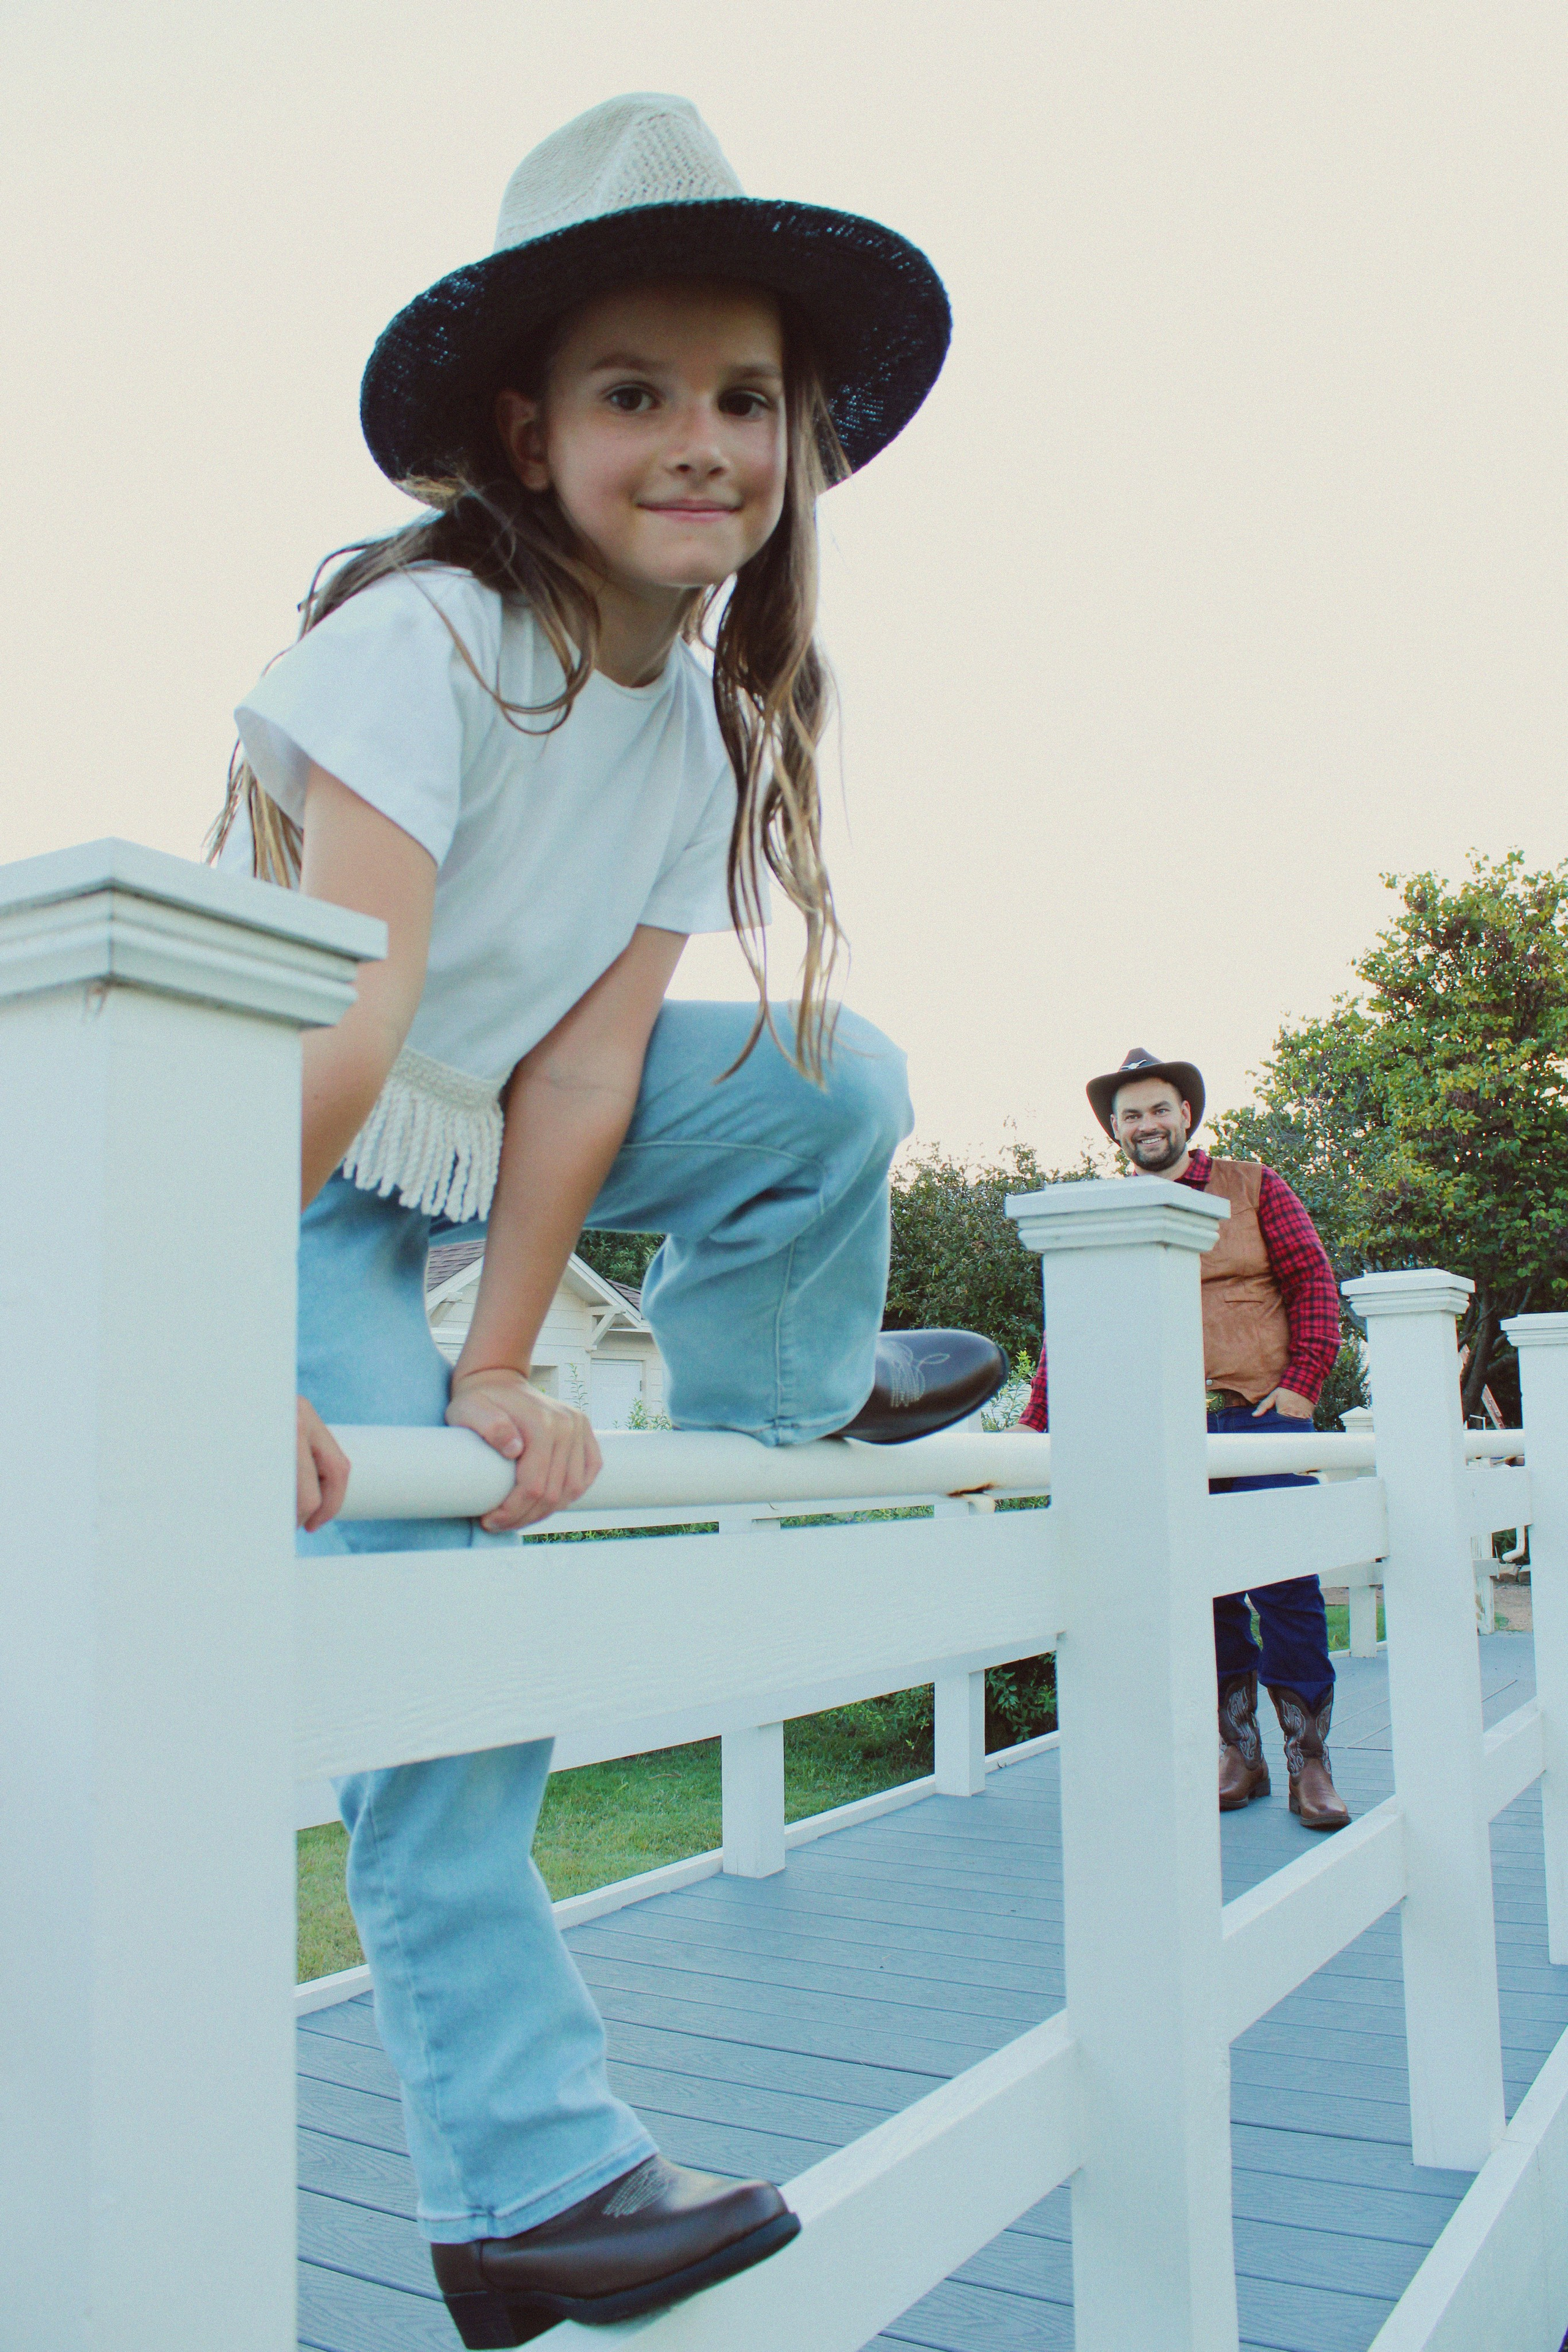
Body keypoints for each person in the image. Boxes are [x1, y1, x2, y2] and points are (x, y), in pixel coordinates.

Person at [214, 94, 1005, 2346]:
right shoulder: (429, 634)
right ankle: (523, 2182)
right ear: (522, 429)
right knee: (437, 1654)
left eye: (741, 398)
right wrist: (225, 1339)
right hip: (272, 1157)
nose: (700, 442)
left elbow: (580, 1075)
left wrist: (508, 1359)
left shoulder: (687, 730)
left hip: (461, 1139)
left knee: (830, 1080)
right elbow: (347, 1027)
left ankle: (779, 1395)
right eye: (634, 393)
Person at [1019, 1047, 1351, 1833]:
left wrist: (1303, 1383)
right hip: (1156, 1427)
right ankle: (1238, 1753)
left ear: (1186, 1116)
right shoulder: (1106, 1209)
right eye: (1129, 1114)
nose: (1146, 1124)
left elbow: (1312, 1282)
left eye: (1159, 1108)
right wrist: (1037, 1430)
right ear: (1114, 1129)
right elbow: (1070, 1324)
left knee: (1285, 1586)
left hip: (1255, 1416)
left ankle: (1311, 1762)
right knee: (1201, 1595)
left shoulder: (1252, 1184)